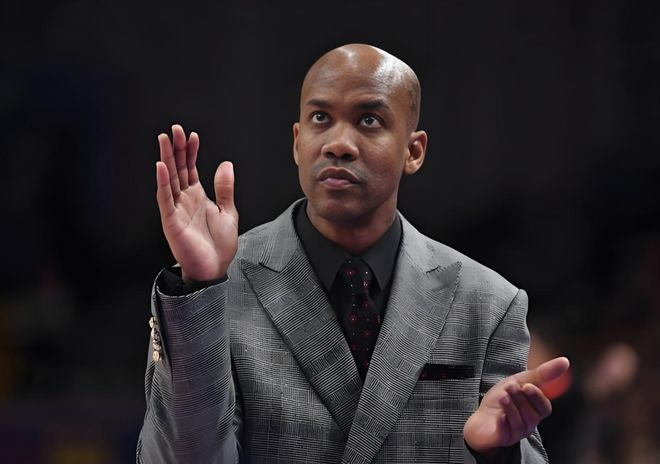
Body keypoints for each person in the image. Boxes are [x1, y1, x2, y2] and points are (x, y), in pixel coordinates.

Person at [137, 43, 569, 463]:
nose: (338, 143)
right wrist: (200, 284)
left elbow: (520, 447)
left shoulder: (488, 303)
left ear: (413, 151)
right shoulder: (217, 290)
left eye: (368, 120)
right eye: (321, 118)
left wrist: (495, 453)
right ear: (297, 141)